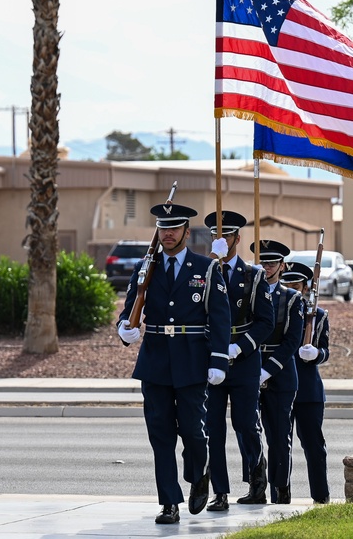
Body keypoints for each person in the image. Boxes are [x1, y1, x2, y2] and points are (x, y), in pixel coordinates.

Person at [116, 203, 232, 525]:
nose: (167, 233)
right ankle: (169, 502)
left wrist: (219, 359)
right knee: (161, 434)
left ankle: (199, 472)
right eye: (162, 228)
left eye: (174, 228)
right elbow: (130, 311)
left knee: (194, 431)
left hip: (193, 359)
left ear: (185, 231)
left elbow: (220, 319)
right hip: (155, 360)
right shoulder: (145, 268)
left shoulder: (205, 269)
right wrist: (125, 329)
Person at [202, 210, 276, 511]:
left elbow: (265, 322)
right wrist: (211, 262)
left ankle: (257, 484)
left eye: (226, 236)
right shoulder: (206, 270)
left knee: (245, 423)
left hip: (243, 360)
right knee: (213, 428)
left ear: (237, 238)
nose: (221, 240)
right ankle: (219, 492)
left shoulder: (254, 275)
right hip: (214, 358)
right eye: (216, 237)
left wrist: (240, 347)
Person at [249, 238, 303, 504]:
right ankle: (255, 488)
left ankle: (280, 490)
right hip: (249, 367)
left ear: (283, 266)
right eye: (263, 261)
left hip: (279, 374)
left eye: (272, 262)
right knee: (249, 433)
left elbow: (292, 341)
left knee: (279, 437)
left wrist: (267, 370)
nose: (267, 266)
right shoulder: (246, 293)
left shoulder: (292, 298)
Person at [281, 261, 331, 504]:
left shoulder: (318, 315)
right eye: (287, 283)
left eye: (296, 284)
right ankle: (280, 496)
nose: (292, 288)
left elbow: (325, 351)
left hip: (307, 389)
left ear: (306, 286)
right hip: (279, 387)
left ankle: (321, 497)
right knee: (280, 446)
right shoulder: (274, 312)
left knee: (313, 445)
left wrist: (316, 354)